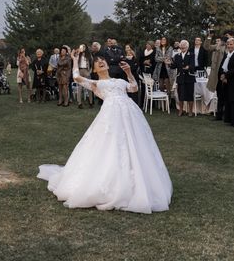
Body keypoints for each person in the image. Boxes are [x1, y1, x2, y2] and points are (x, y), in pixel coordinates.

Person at [37, 50, 172, 214]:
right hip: (110, 116)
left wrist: (129, 72)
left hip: (131, 115)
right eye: (97, 61)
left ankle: (137, 179)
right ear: (94, 69)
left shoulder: (119, 81)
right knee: (110, 145)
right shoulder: (95, 83)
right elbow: (77, 78)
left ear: (107, 64)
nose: (101, 62)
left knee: (134, 144)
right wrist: (74, 59)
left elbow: (134, 88)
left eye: (103, 60)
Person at [172, 40, 196, 117]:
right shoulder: (177, 55)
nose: (182, 46)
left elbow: (192, 65)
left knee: (189, 95)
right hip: (180, 78)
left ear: (187, 47)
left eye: (184, 45)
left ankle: (190, 111)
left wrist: (188, 67)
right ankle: (181, 110)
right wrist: (169, 63)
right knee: (180, 95)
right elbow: (174, 66)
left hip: (189, 77)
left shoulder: (191, 54)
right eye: (181, 45)